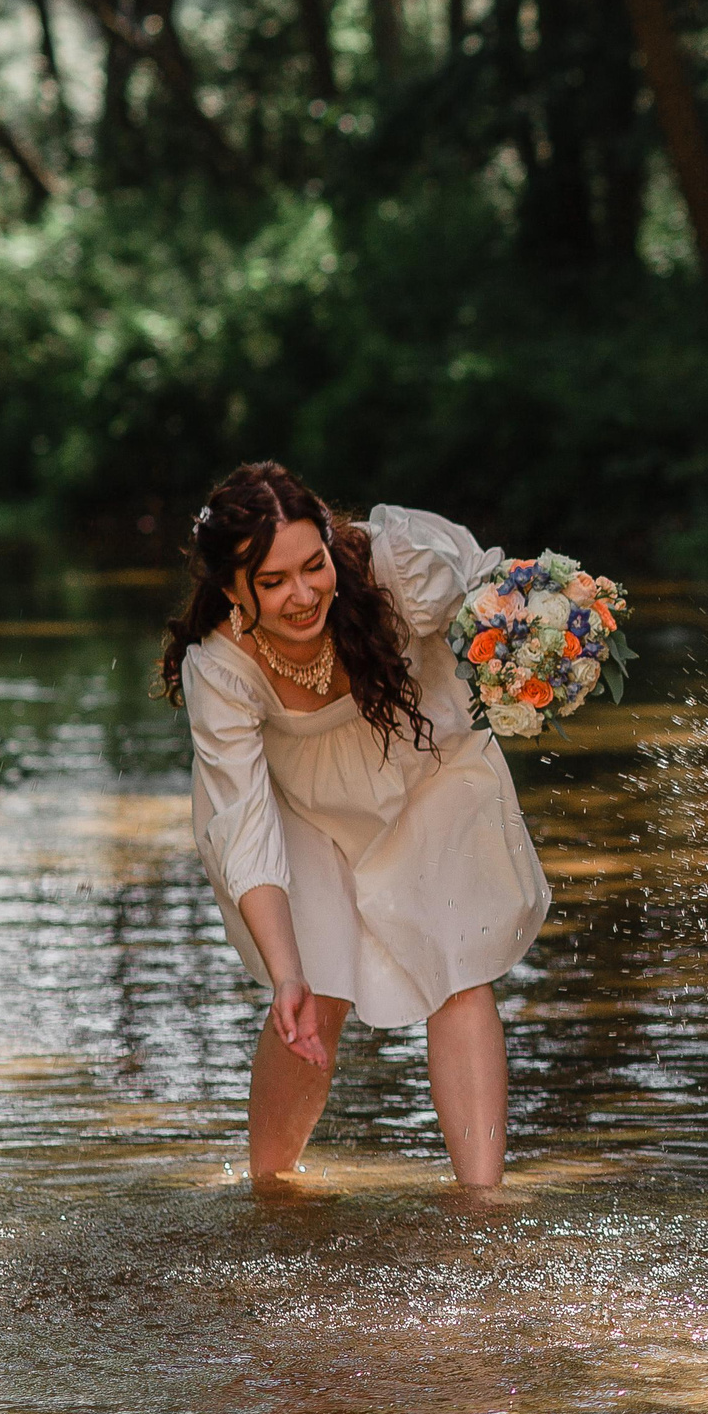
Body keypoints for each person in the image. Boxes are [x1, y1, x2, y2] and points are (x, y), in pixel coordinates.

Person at [159, 462, 549, 1187]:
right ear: (232, 589)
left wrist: (548, 651)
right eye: (273, 582)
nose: (303, 594)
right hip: (300, 809)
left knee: (459, 969)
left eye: (314, 566)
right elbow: (243, 827)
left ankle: (483, 1206)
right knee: (318, 984)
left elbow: (497, 602)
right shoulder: (218, 666)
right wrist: (285, 974)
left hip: (428, 768)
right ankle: (270, 1196)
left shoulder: (398, 562)